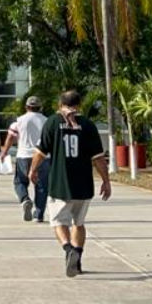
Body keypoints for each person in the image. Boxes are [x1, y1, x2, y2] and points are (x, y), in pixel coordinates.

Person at [29, 90, 111, 277]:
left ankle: (68, 250)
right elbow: (98, 158)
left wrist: (32, 170)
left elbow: (41, 152)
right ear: (79, 104)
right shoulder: (88, 126)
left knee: (58, 222)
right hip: (83, 185)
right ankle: (78, 260)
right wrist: (106, 181)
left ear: (60, 104)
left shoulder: (53, 122)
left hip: (60, 185)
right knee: (79, 223)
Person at [0, 96, 49, 222]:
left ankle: (25, 199)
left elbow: (11, 137)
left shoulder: (19, 121)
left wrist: (4, 152)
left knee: (20, 182)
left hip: (23, 156)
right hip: (43, 156)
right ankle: (39, 214)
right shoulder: (47, 121)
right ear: (40, 107)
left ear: (26, 107)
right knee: (42, 186)